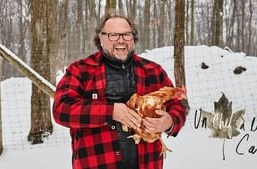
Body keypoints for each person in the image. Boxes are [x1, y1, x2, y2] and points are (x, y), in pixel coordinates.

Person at [52, 13, 187, 169]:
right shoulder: (81, 71)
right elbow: (61, 109)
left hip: (147, 163)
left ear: (133, 39)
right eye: (113, 35)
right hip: (97, 162)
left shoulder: (153, 71)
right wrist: (111, 111)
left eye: (126, 35)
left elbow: (178, 106)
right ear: (100, 39)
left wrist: (169, 121)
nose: (121, 40)